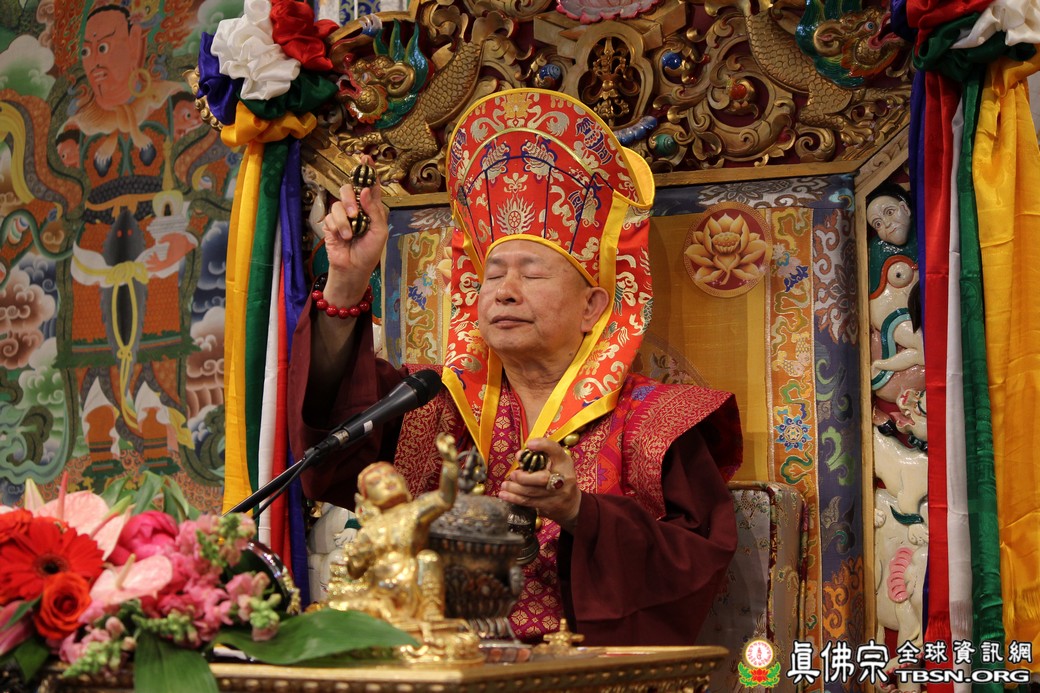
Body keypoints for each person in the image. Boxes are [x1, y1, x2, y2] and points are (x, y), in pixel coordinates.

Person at [288, 89, 742, 646]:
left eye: (531, 274)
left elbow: (697, 562)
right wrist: (347, 278)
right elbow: (331, 442)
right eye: (492, 274)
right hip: (444, 663)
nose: (504, 291)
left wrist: (581, 513)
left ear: (592, 308)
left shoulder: (654, 422)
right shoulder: (433, 403)